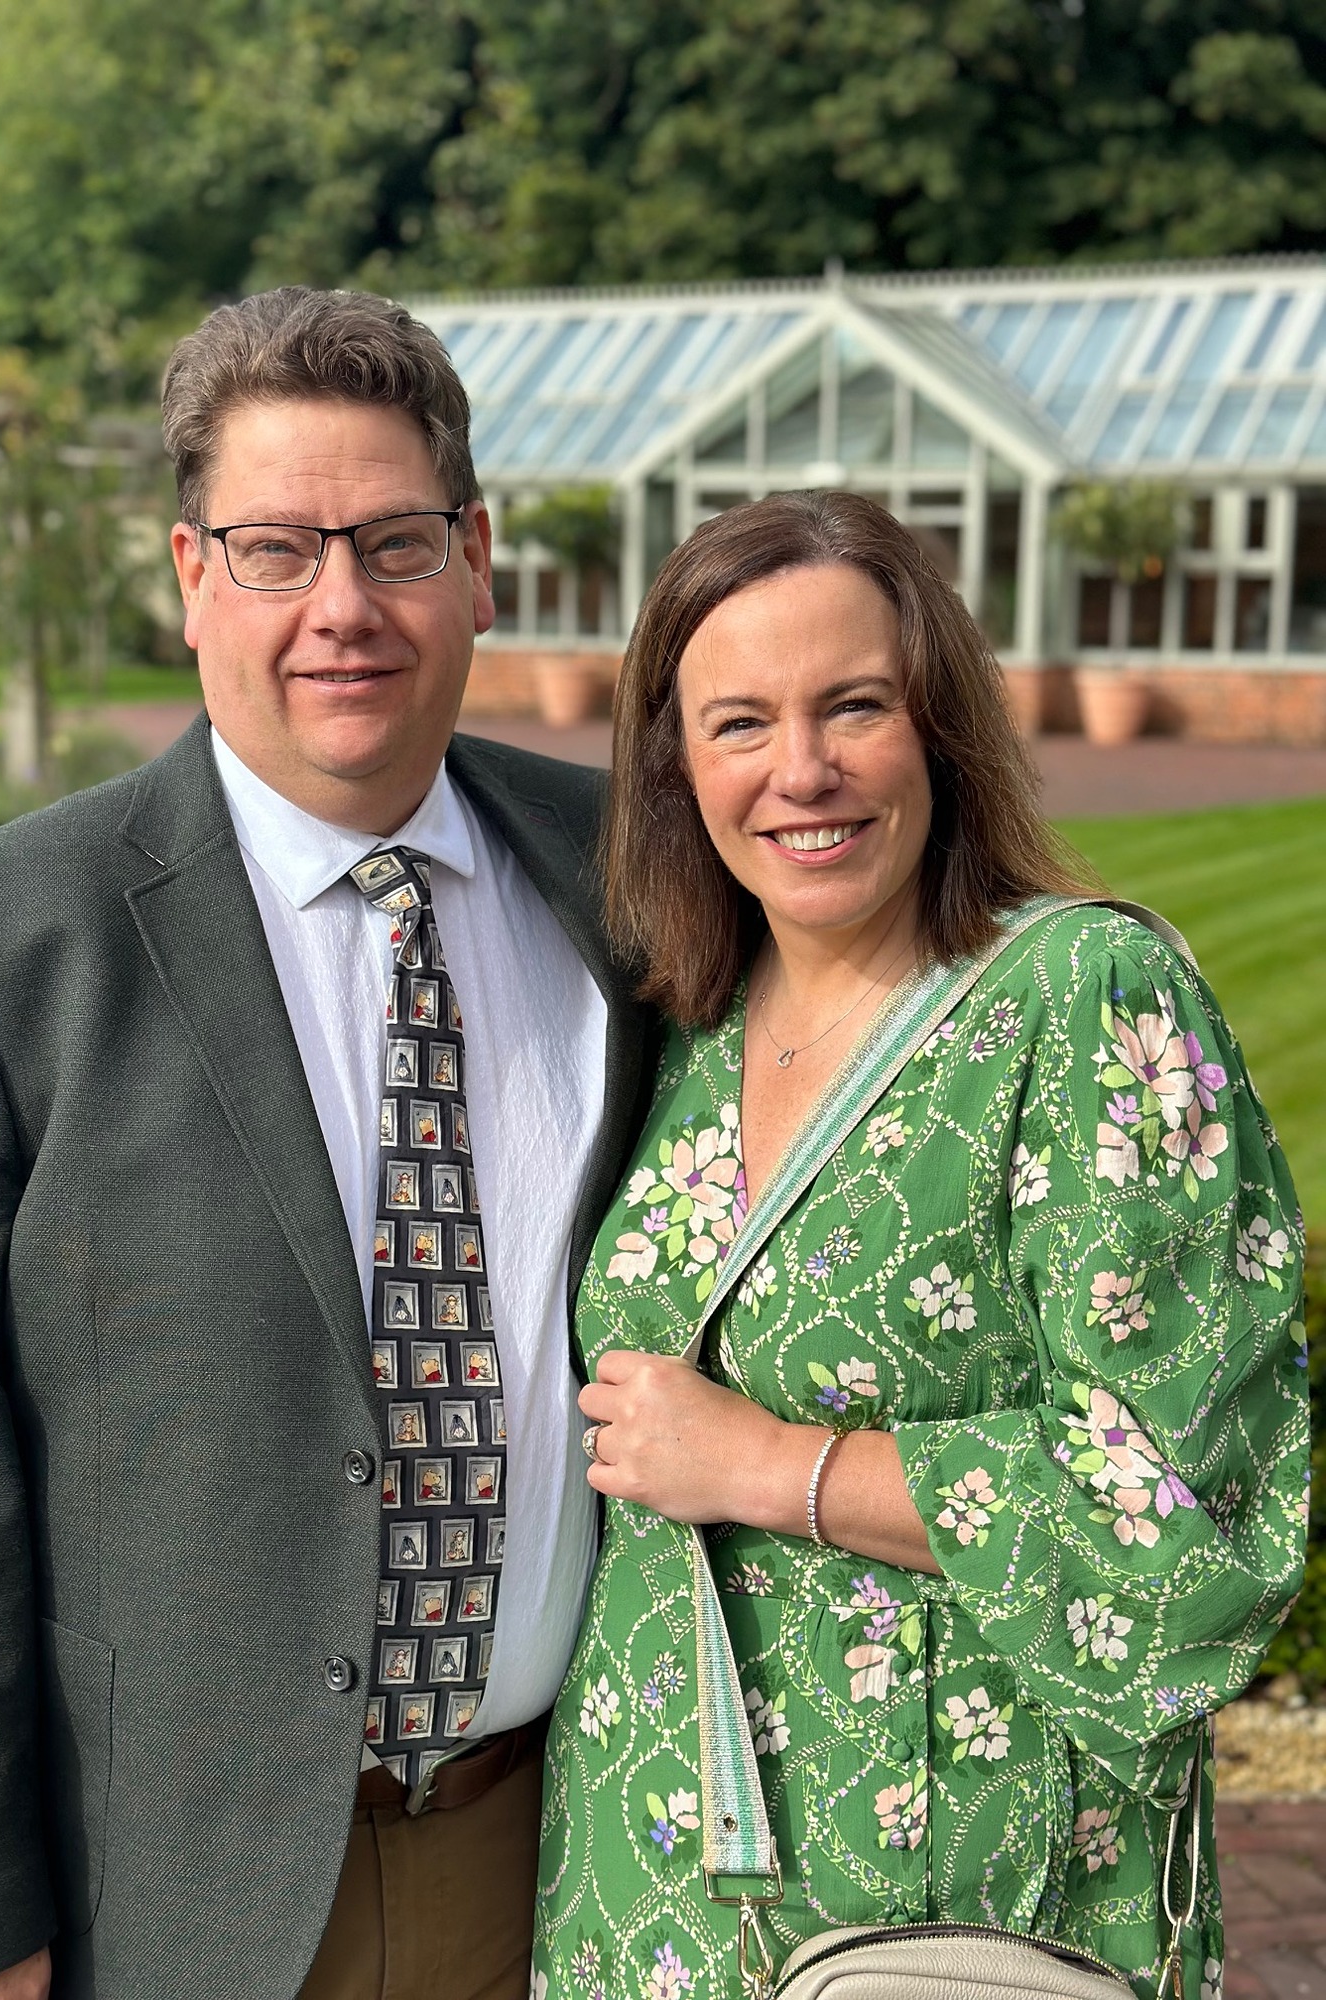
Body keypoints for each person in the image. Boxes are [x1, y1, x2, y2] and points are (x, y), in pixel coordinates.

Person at [0, 287, 653, 2000]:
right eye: (277, 550)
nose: (342, 607)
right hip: (169, 1899)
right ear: (192, 577)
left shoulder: (634, 877)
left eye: (396, 544)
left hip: (576, 1863)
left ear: (476, 562)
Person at [533, 491, 1307, 2000]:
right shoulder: (684, 1032)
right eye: (739, 723)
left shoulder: (1083, 999)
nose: (801, 771)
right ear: (677, 769)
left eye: (855, 707)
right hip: (649, 1896)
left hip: (954, 1902)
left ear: (941, 728)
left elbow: (1196, 1510)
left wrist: (773, 1467)